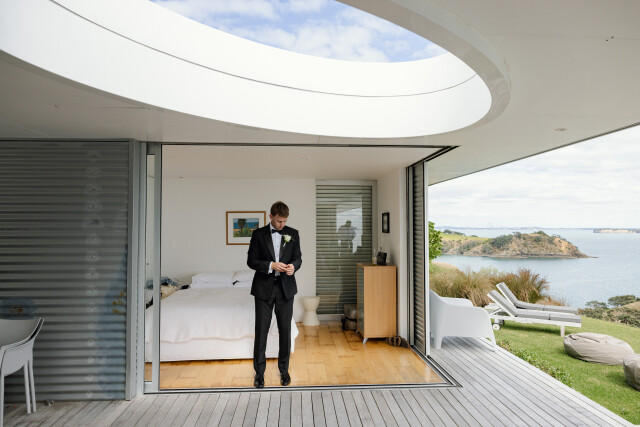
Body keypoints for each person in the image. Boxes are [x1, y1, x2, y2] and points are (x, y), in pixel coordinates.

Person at [247, 201, 302, 388]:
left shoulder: (293, 233)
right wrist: (270, 265)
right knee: (261, 331)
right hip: (263, 288)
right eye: (279, 221)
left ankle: (284, 371)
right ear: (270, 217)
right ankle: (259, 373)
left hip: (286, 288)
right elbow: (251, 261)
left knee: (285, 331)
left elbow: (298, 258)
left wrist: (293, 267)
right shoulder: (258, 234)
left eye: (284, 221)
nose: (282, 225)